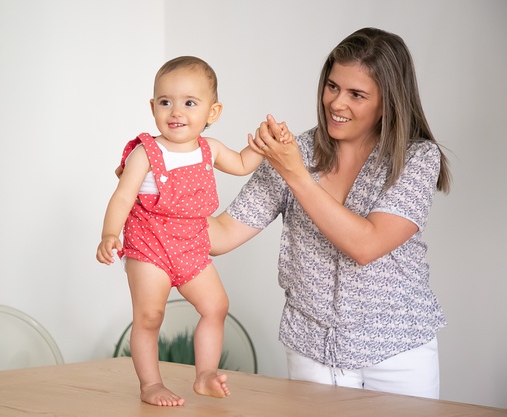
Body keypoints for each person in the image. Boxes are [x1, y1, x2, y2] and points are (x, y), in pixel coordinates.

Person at [208, 27, 452, 399]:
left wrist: (294, 173)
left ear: (388, 101)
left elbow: (366, 245)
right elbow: (222, 234)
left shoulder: (417, 158)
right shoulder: (295, 150)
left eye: (357, 94)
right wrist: (152, 194)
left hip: (398, 347)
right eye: (333, 86)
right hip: (311, 346)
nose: (337, 103)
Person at [96, 56, 266, 406]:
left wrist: (264, 145)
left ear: (212, 112)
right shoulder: (146, 152)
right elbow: (122, 196)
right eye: (165, 102)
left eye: (189, 103)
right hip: (150, 247)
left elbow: (243, 163)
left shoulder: (210, 149)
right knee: (149, 316)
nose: (176, 112)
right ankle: (150, 385)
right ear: (153, 106)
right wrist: (110, 234)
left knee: (216, 306)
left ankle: (204, 374)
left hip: (191, 247)